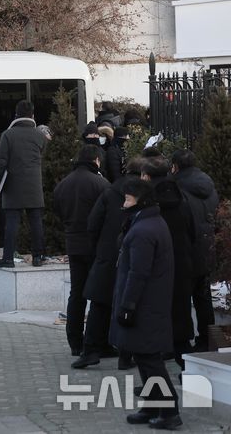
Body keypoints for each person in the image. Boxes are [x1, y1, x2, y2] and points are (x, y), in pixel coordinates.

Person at [110, 178, 181, 429]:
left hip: (144, 305)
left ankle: (170, 411)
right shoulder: (147, 223)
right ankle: (151, 406)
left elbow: (138, 273)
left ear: (141, 201)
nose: (124, 203)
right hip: (148, 303)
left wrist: (128, 305)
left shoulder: (144, 230)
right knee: (143, 356)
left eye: (128, 199)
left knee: (150, 358)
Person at [83, 158, 144, 369]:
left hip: (107, 255)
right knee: (130, 304)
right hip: (133, 256)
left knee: (99, 304)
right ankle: (125, 355)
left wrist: (98, 248)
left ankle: (91, 350)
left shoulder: (110, 191)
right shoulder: (145, 195)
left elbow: (93, 223)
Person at [52, 145, 110, 362]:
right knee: (97, 294)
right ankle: (96, 342)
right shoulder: (101, 184)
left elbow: (58, 211)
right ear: (96, 160)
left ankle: (74, 342)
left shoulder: (63, 184)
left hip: (73, 243)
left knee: (76, 294)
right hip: (95, 245)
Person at [142, 156, 196, 369]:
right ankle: (187, 369)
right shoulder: (181, 197)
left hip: (154, 268)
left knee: (152, 323)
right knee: (180, 318)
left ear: (146, 176)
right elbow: (192, 231)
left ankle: (154, 381)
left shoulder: (146, 201)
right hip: (181, 265)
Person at [171, 149, 219, 351]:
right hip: (207, 248)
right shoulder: (208, 184)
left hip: (186, 251)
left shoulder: (177, 188)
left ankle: (184, 343)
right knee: (203, 297)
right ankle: (206, 339)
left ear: (175, 166)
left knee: (181, 301)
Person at [0, 100, 47, 267]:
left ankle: (8, 258)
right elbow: (42, 156)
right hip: (34, 185)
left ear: (16, 114)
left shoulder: (8, 135)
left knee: (12, 222)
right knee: (36, 221)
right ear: (32, 115)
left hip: (13, 184)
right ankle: (38, 257)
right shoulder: (40, 135)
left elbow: (1, 161)